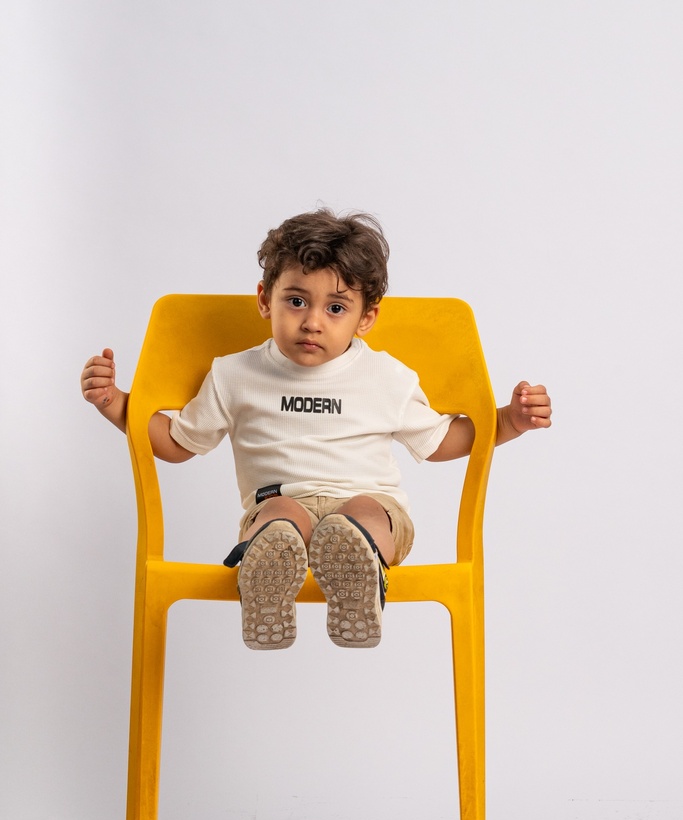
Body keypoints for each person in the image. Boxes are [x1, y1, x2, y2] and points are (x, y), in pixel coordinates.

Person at [81, 209, 551, 652]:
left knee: (363, 512)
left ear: (366, 318)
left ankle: (356, 574)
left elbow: (439, 441)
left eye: (336, 308)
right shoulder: (234, 374)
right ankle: (268, 586)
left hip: (372, 506)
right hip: (280, 505)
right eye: (297, 300)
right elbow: (179, 443)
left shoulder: (386, 377)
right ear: (265, 299)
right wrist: (118, 405)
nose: (311, 321)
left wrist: (508, 420)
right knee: (279, 514)